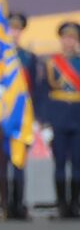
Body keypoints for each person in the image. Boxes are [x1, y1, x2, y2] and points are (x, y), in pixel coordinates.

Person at [0, 12, 38, 219]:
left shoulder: (28, 57)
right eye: (11, 28)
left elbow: (35, 89)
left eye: (17, 29)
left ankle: (18, 205)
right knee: (2, 162)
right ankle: (4, 206)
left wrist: (36, 118)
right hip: (2, 115)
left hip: (22, 117)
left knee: (19, 162)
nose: (14, 33)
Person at [39, 21, 80, 218]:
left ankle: (75, 205)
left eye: (72, 38)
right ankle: (62, 205)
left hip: (78, 118)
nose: (68, 42)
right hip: (58, 119)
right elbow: (43, 94)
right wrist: (45, 122)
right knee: (60, 163)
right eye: (65, 38)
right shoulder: (52, 63)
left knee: (78, 164)